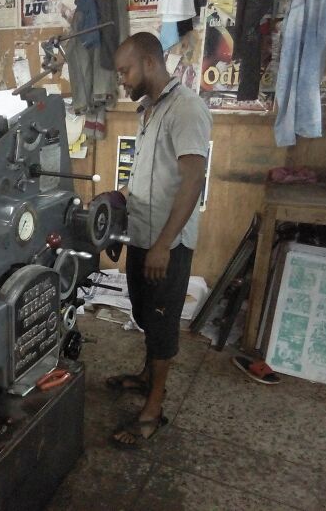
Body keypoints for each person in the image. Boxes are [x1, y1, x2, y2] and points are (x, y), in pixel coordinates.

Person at [107, 32, 212, 448]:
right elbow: (144, 179)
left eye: (125, 70)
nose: (122, 79)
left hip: (166, 243)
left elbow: (192, 181)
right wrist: (119, 223)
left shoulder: (186, 108)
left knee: (163, 322)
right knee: (144, 310)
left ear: (149, 62)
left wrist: (164, 245)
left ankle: (153, 408)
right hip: (142, 235)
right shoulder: (149, 110)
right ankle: (147, 374)